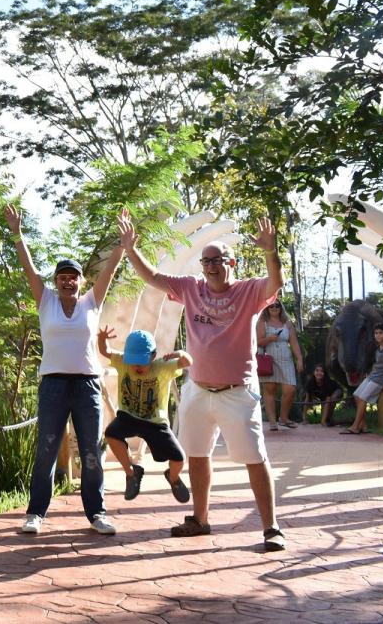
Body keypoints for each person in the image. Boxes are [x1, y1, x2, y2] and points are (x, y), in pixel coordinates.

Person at [117, 208, 288, 552]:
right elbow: (153, 277)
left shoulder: (249, 291)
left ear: (232, 263)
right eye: (206, 261)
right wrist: (130, 249)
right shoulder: (190, 288)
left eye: (217, 260)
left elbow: (276, 283)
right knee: (196, 454)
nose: (211, 266)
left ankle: (271, 527)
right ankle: (200, 519)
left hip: (238, 392)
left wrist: (271, 251)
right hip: (197, 389)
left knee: (255, 457)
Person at [5, 205, 123, 537]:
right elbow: (28, 268)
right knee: (46, 449)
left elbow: (110, 271)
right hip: (53, 385)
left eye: (73, 277)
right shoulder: (45, 301)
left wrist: (122, 245)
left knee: (91, 450)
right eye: (62, 277)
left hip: (87, 386)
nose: (68, 281)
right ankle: (35, 513)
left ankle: (97, 513)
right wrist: (17, 234)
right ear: (56, 282)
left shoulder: (91, 302)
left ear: (81, 281)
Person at [96, 326, 192, 504]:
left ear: (153, 356)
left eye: (141, 362)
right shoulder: (123, 362)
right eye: (133, 361)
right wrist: (102, 338)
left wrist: (178, 353)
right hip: (128, 417)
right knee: (111, 433)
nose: (137, 366)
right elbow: (105, 351)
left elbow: (188, 362)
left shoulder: (162, 367)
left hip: (155, 423)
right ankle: (131, 473)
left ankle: (173, 478)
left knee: (179, 459)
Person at [342, 323, 383, 434]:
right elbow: (374, 364)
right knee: (356, 395)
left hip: (380, 380)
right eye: (376, 333)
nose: (378, 335)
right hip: (372, 377)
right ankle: (363, 425)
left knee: (363, 398)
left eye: (381, 333)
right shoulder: (377, 348)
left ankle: (355, 426)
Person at [256, 301, 304, 431]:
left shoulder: (287, 323)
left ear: (281, 308)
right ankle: (272, 422)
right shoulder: (262, 322)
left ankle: (283, 418)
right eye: (271, 306)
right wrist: (270, 339)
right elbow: (257, 342)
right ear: (266, 308)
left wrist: (299, 358)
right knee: (270, 389)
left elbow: (294, 342)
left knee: (290, 389)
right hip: (268, 358)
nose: (274, 308)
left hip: (286, 358)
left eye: (277, 305)